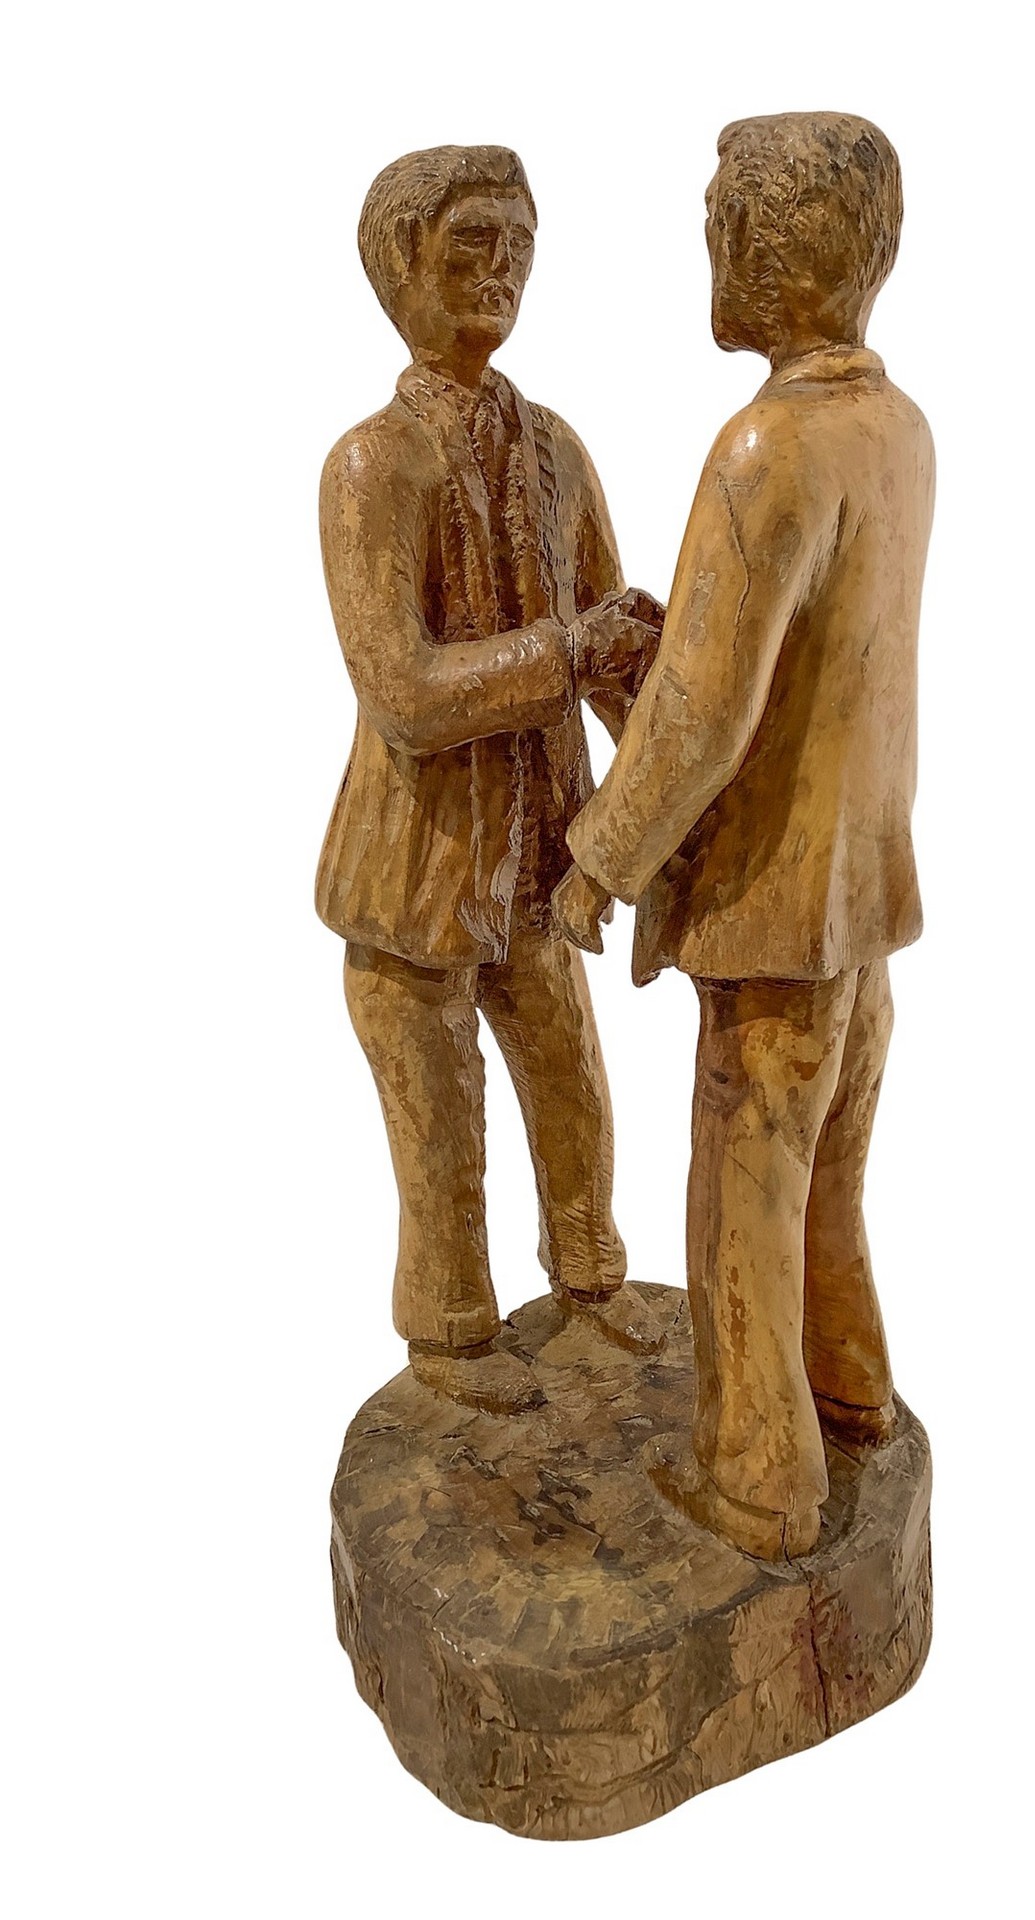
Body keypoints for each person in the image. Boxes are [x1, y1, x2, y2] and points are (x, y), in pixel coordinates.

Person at [554, 114, 935, 1554]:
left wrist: (600, 855)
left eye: (720, 223)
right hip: (859, 891)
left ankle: (761, 1485)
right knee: (829, 1172)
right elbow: (808, 672)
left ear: (772, 252)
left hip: (774, 905)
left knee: (745, 1191)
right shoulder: (896, 428)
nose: (707, 248)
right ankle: (849, 1393)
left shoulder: (767, 447)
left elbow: (707, 717)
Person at [317, 146, 663, 1414]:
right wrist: (569, 653)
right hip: (413, 875)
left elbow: (620, 654)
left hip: (539, 865)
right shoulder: (372, 467)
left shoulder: (557, 449)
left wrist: (675, 779)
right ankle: (452, 1336)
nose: (502, 264)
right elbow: (403, 692)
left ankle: (590, 1280)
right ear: (398, 266)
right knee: (440, 1119)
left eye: (519, 239)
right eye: (471, 240)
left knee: (571, 1083)